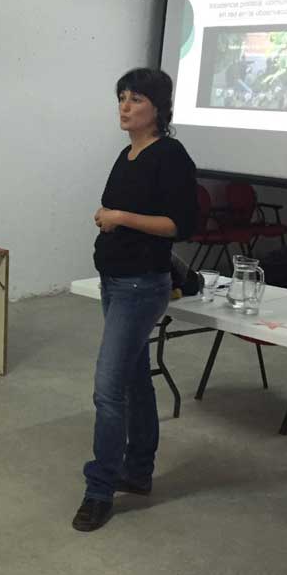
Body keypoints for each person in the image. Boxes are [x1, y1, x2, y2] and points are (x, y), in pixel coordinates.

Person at [73, 68, 198, 532]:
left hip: (142, 286)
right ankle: (139, 470)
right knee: (133, 380)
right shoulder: (127, 154)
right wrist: (109, 217)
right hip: (115, 279)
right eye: (122, 97)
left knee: (108, 390)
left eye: (136, 99)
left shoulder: (171, 156)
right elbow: (119, 210)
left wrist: (121, 217)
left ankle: (99, 489)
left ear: (158, 109)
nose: (125, 107)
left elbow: (180, 225)